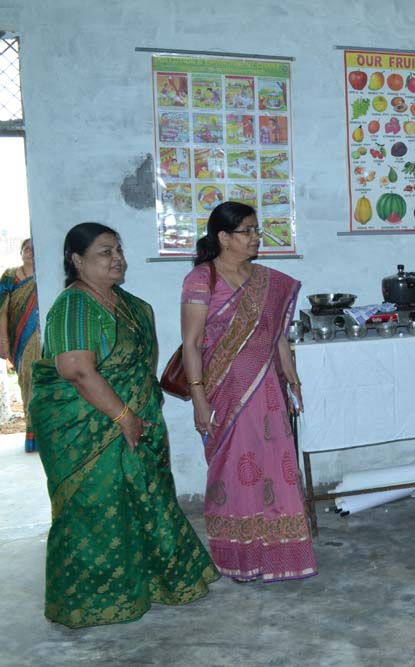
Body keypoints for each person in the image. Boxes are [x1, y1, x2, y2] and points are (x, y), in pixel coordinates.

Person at [30, 223, 218, 629]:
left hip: (136, 421)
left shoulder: (130, 305)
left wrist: (137, 415)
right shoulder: (74, 306)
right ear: (77, 260)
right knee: (96, 510)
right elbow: (77, 370)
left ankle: (153, 584)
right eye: (105, 252)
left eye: (118, 250)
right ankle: (94, 602)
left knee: (145, 502)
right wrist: (124, 417)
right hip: (85, 430)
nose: (117, 258)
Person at [181, 201, 317, 582]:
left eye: (257, 230)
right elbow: (192, 343)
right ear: (224, 237)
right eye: (248, 231)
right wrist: (199, 400)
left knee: (277, 466)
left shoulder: (265, 280)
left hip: (267, 390)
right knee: (235, 473)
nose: (256, 238)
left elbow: (277, 337)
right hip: (226, 392)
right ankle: (241, 558)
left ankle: (281, 555)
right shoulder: (201, 279)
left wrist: (292, 377)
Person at [0, 238, 41, 451]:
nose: (29, 251)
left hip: (42, 337)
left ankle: (44, 434)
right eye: (26, 248)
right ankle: (32, 435)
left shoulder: (45, 273)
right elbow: (1, 312)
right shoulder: (9, 276)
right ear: (21, 252)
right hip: (19, 339)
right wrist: (3, 342)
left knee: (42, 380)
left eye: (33, 248)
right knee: (27, 380)